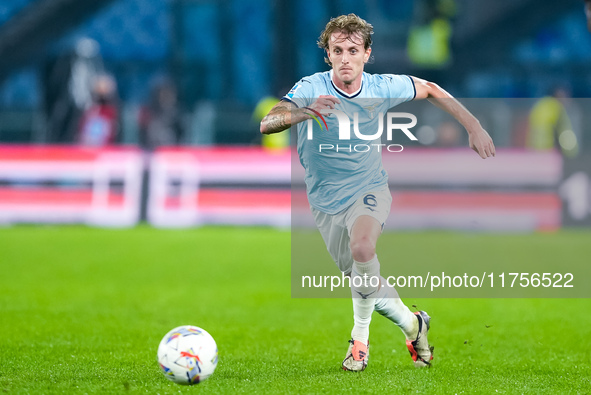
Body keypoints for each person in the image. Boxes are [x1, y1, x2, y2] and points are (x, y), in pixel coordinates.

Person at [260, 14, 495, 372]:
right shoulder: (311, 87)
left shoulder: (381, 86)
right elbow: (268, 122)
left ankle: (359, 342)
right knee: (364, 281)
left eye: (353, 50)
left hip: (369, 189)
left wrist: (473, 125)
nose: (344, 59)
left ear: (367, 54)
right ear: (328, 55)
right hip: (324, 201)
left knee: (363, 248)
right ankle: (414, 325)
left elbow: (430, 88)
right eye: (337, 50)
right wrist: (306, 112)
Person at [77, 73, 119, 146]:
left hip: (107, 151)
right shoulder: (89, 111)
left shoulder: (113, 112)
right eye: (99, 92)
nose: (101, 96)